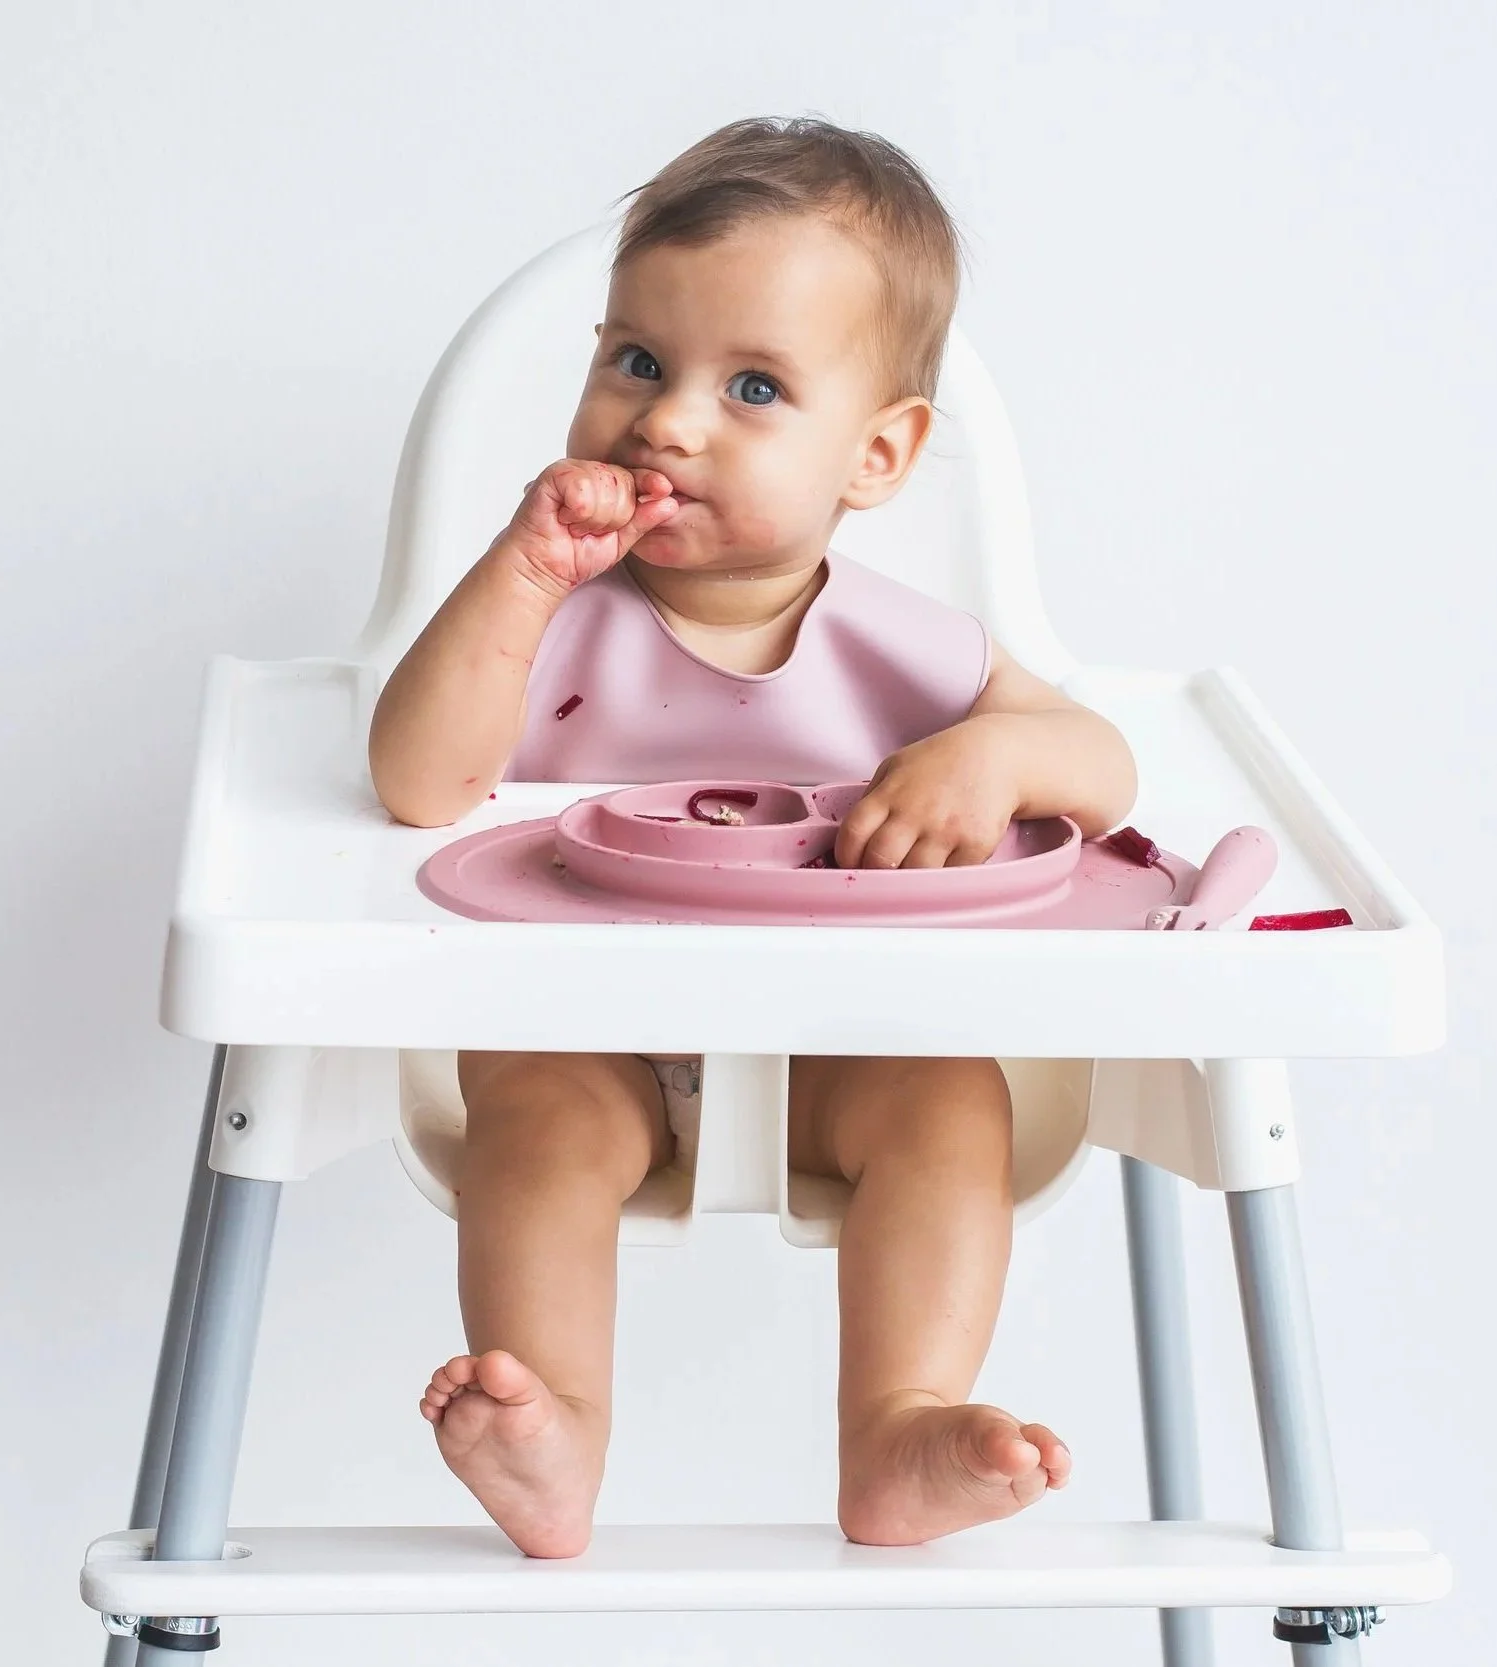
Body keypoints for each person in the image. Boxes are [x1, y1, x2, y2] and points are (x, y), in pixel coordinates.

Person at [367, 116, 1138, 1558]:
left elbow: (1106, 763)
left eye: (756, 387)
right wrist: (518, 576)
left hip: (835, 1046)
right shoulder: (545, 617)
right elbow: (416, 780)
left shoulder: (903, 652)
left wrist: (998, 753)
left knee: (948, 1102)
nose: (668, 421)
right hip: (584, 1030)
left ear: (880, 453)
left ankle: (900, 1420)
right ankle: (560, 1433)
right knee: (529, 1129)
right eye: (637, 363)